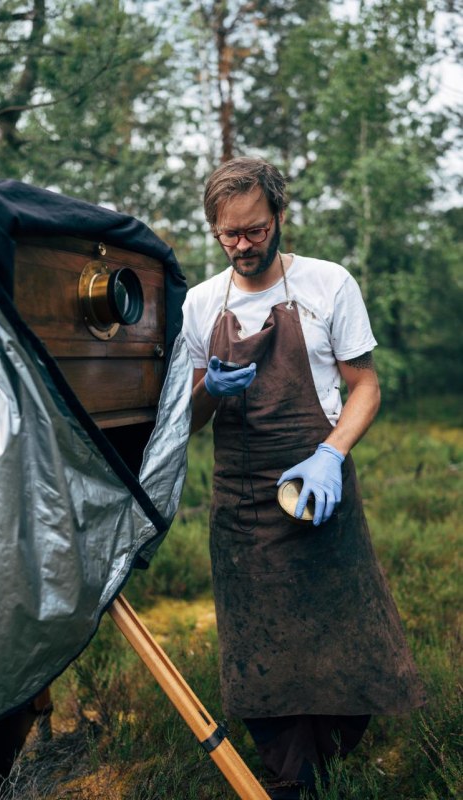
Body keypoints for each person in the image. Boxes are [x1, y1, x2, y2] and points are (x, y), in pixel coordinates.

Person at [182, 157, 425, 800]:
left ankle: (334, 753)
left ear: (280, 216)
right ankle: (294, 779)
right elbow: (191, 419)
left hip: (318, 486)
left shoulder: (328, 283)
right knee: (258, 642)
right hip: (241, 501)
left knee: (344, 630)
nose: (243, 246)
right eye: (229, 234)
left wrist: (330, 455)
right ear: (214, 229)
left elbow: (365, 386)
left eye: (256, 230)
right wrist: (208, 391)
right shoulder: (200, 303)